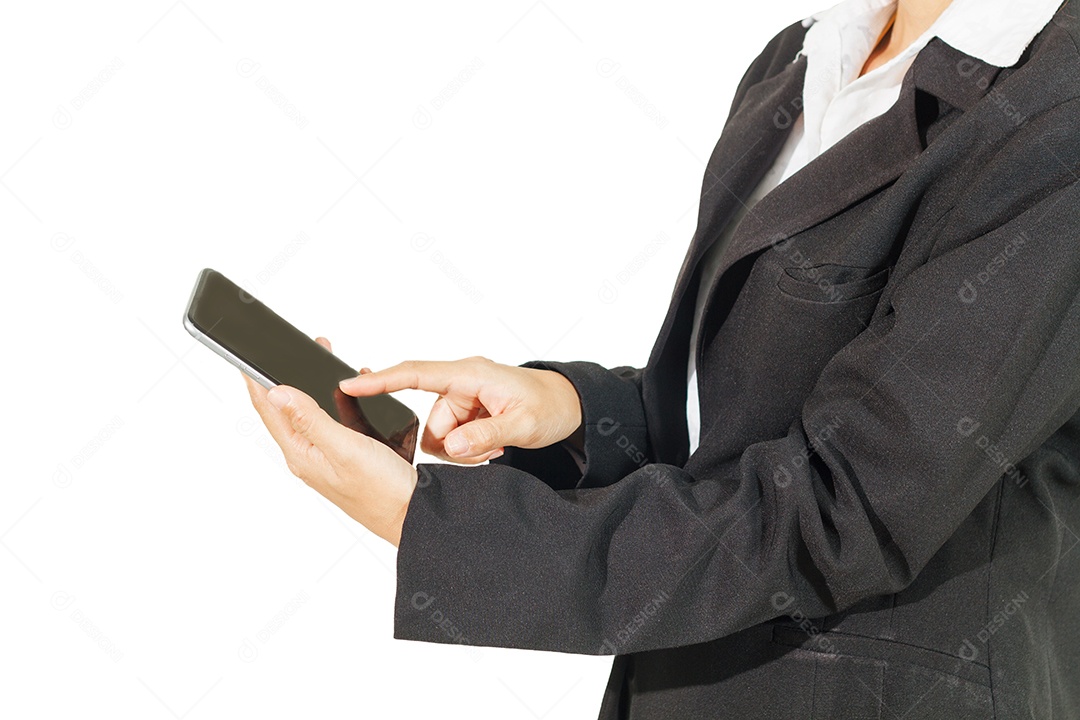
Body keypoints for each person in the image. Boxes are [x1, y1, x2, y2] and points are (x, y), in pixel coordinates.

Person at [245, 0, 1080, 716]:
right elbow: (738, 421)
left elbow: (847, 505)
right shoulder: (801, 58)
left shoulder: (1058, 104)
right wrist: (576, 414)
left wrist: (438, 525)